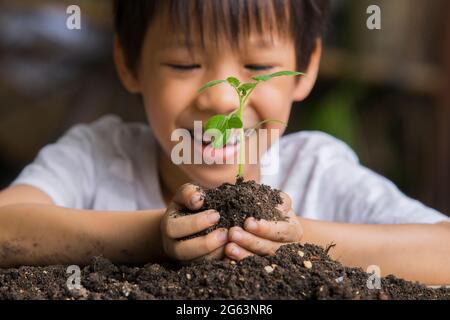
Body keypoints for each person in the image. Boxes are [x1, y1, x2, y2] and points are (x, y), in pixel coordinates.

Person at [0, 0, 449, 285]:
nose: (219, 98)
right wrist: (154, 236)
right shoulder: (97, 156)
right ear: (129, 62)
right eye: (183, 63)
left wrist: (296, 241)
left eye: (257, 65)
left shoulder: (316, 169)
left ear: (306, 66)